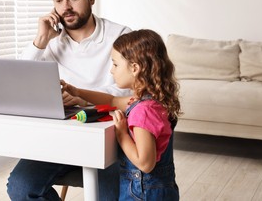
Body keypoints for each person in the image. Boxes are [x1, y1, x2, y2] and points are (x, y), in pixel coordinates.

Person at [6, 0, 132, 200]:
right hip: (61, 135)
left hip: (110, 134)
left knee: (110, 195)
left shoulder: (121, 36)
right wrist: (41, 38)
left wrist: (83, 96)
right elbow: (19, 81)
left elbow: (131, 92)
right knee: (21, 187)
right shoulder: (51, 41)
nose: (66, 7)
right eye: (58, 0)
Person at [61, 29, 181, 200]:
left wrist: (121, 134)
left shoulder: (143, 111)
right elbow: (112, 100)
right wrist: (78, 92)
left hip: (142, 193)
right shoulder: (151, 100)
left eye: (115, 64)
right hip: (159, 190)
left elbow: (145, 163)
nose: (111, 70)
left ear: (135, 68)